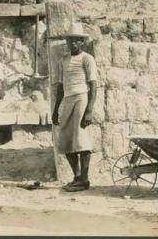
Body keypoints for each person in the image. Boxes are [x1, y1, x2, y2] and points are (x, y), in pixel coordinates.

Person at [52, 22, 98, 191]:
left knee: (81, 140)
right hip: (68, 100)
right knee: (65, 139)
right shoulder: (62, 60)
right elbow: (60, 87)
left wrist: (89, 110)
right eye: (70, 40)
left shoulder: (87, 59)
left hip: (81, 99)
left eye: (76, 40)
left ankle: (85, 179)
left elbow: (93, 85)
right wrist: (56, 109)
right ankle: (77, 177)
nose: (72, 44)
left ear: (82, 42)